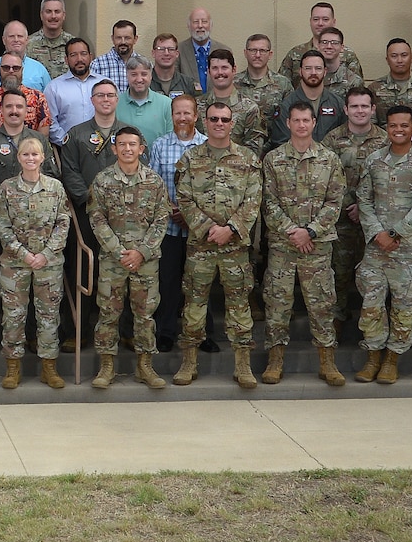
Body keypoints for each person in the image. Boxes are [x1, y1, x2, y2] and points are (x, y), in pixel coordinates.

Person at [173, 98, 262, 388]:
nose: (219, 124)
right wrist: (209, 228)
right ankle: (189, 362)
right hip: (201, 247)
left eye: (224, 119)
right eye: (214, 119)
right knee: (194, 305)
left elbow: (253, 200)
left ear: (232, 123)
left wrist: (231, 229)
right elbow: (183, 198)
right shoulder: (190, 158)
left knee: (239, 307)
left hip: (235, 248)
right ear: (204, 122)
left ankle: (243, 366)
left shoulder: (248, 159)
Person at [354, 103, 412, 385]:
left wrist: (395, 234)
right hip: (376, 250)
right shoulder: (373, 160)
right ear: (387, 128)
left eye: (404, 125)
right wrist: (378, 233)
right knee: (371, 306)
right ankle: (373, 357)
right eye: (393, 125)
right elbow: (364, 199)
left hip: (410, 251)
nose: (399, 130)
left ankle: (392, 359)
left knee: (404, 310)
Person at [261, 101, 347, 387]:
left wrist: (309, 232)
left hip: (317, 246)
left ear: (313, 123)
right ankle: (275, 360)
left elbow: (335, 203)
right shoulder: (273, 160)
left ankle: (327, 361)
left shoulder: (329, 159)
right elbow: (268, 202)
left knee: (322, 304)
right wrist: (292, 231)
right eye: (296, 120)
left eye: (306, 120)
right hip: (283, 247)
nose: (301, 125)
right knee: (277, 304)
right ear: (288, 123)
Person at [0, 86, 54, 353]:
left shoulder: (38, 141)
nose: (14, 111)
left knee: (32, 277)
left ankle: (30, 334)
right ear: (1, 110)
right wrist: (4, 202)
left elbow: (51, 175)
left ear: (28, 110)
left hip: (35, 225)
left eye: (19, 107)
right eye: (9, 107)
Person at [88, 125, 170, 389]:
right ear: (114, 148)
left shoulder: (154, 181)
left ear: (141, 149)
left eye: (132, 144)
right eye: (122, 144)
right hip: (114, 260)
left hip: (145, 260)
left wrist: (141, 252)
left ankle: (145, 365)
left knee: (145, 315)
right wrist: (119, 251)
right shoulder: (102, 180)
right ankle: (107, 366)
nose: (127, 149)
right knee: (109, 313)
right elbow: (97, 218)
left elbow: (161, 219)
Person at [0, 134, 69, 389]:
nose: (30, 158)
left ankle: (49, 367)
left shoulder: (55, 187)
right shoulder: (7, 188)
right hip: (15, 264)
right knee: (13, 316)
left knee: (48, 315)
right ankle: (12, 368)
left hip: (48, 264)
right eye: (25, 154)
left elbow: (63, 223)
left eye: (35, 154)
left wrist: (45, 255)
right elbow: (2, 224)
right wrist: (24, 254)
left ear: (43, 158)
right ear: (18, 158)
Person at [323, 86, 388, 341]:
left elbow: (388, 180)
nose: (360, 111)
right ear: (345, 109)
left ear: (373, 109)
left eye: (365, 106)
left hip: (375, 221)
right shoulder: (332, 139)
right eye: (355, 106)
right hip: (339, 219)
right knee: (338, 271)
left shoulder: (385, 140)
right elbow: (325, 179)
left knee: (373, 275)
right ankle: (338, 317)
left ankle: (371, 324)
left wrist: (364, 207)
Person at [147, 94, 204, 356]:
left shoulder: (206, 145)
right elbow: (154, 184)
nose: (182, 118)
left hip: (200, 229)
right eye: (177, 113)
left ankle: (202, 334)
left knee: (199, 282)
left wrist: (192, 214)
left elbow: (213, 186)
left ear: (195, 115)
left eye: (187, 113)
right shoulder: (160, 146)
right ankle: (166, 332)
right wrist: (171, 209)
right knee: (168, 282)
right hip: (169, 227)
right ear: (172, 116)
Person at [267, 51, 341, 149]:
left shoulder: (337, 104)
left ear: (325, 71)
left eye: (318, 68)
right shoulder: (286, 106)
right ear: (300, 71)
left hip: (329, 162)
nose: (313, 72)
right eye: (308, 68)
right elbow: (280, 143)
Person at [282, 3, 364, 86]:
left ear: (333, 22)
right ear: (310, 21)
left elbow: (357, 90)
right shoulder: (295, 54)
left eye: (325, 19)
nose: (320, 23)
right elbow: (283, 86)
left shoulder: (348, 55)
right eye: (316, 19)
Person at [47, 37, 106, 143]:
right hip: (69, 150)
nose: (79, 59)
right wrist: (66, 141)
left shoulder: (105, 84)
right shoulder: (54, 88)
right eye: (73, 55)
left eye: (83, 54)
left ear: (90, 57)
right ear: (66, 60)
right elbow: (50, 121)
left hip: (103, 148)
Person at [0, 54, 50, 132]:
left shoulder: (38, 98)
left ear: (22, 70)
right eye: (6, 68)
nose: (11, 71)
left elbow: (43, 133)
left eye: (16, 68)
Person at [0, 21, 53, 94]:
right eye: (11, 36)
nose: (16, 40)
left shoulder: (40, 69)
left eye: (20, 36)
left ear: (27, 40)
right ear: (4, 40)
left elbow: (49, 100)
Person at [370, 37, 412, 126]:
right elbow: (370, 123)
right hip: (383, 139)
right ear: (387, 60)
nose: (399, 60)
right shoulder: (374, 89)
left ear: (411, 58)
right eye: (394, 56)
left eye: (404, 55)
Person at [116, 56, 174, 144]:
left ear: (151, 76)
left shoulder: (166, 104)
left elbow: (171, 138)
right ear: (127, 76)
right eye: (134, 74)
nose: (139, 79)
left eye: (144, 74)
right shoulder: (116, 103)